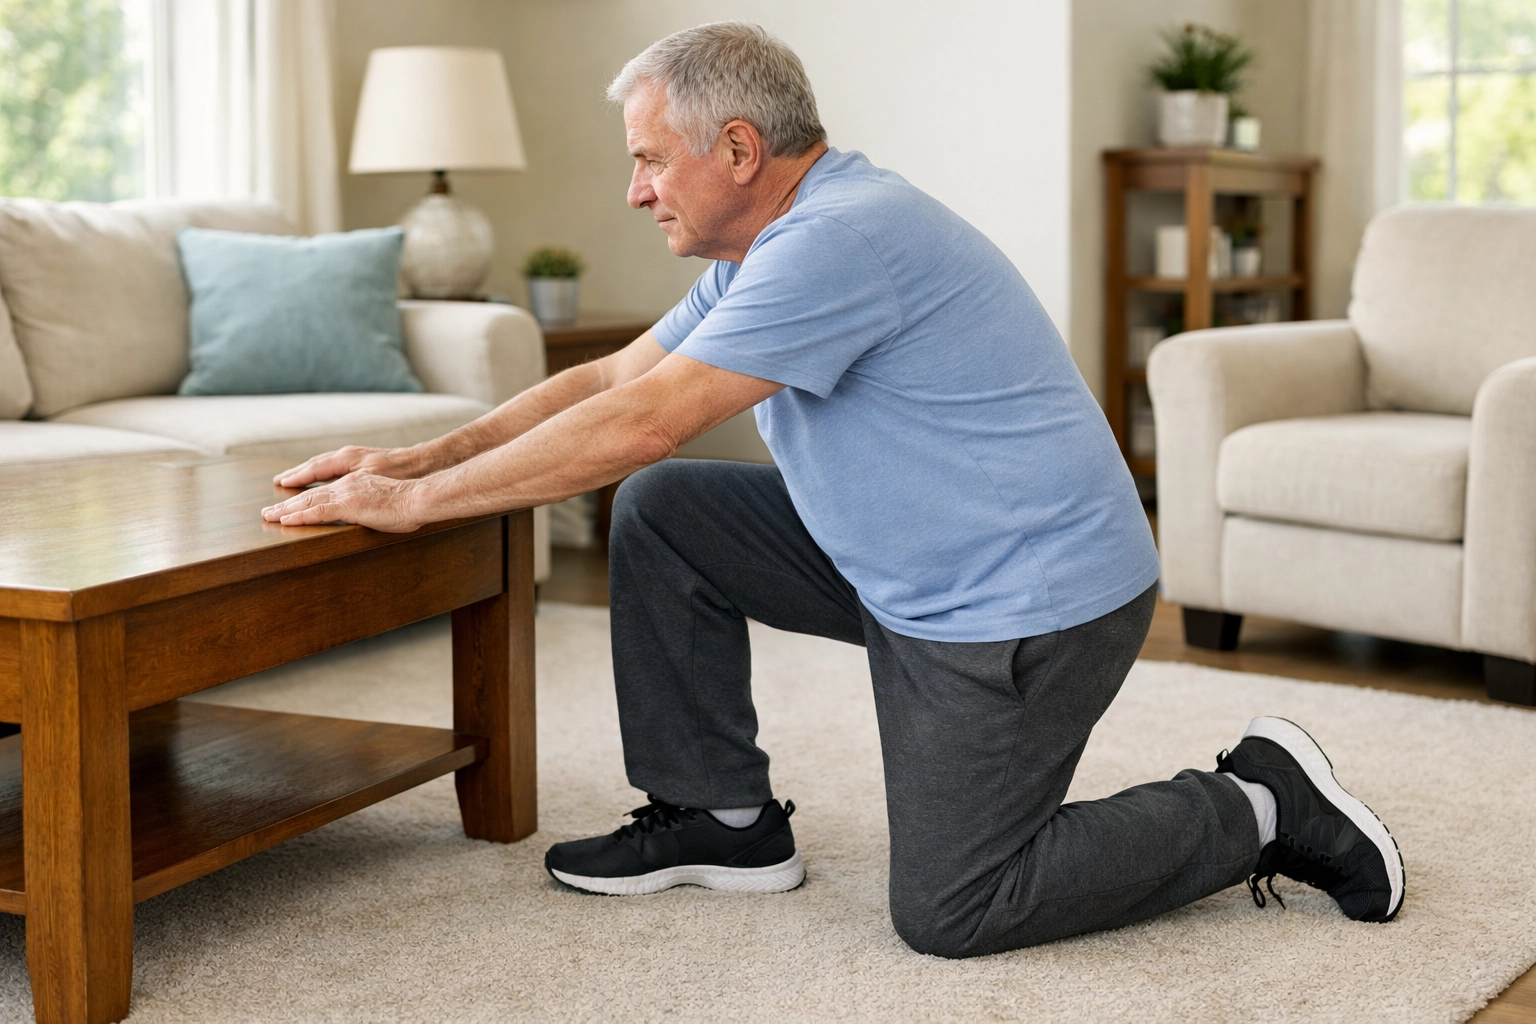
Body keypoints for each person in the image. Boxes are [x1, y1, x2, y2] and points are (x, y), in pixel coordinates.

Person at [262, 22, 1404, 956]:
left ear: (742, 150)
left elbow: (644, 420)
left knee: (956, 906)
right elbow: (616, 375)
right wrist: (410, 462)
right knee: (669, 515)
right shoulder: (764, 247)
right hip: (900, 564)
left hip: (1025, 607)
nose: (633, 190)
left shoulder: (838, 241)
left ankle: (1260, 801)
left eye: (651, 159)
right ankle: (723, 818)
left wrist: (416, 511)